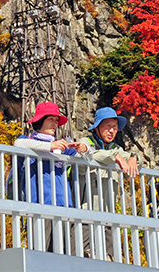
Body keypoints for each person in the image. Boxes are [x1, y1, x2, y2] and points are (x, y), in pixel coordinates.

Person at [77, 107, 138, 260]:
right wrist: (115, 157)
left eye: (115, 127)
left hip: (108, 214)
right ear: (97, 127)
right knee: (83, 257)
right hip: (85, 212)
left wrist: (133, 158)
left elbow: (136, 161)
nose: (112, 130)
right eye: (108, 126)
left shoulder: (116, 148)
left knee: (110, 259)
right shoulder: (86, 142)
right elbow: (88, 153)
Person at [12, 102, 87, 207]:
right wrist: (50, 146)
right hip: (36, 205)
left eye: (57, 120)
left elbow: (83, 158)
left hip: (63, 205)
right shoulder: (28, 140)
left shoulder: (61, 146)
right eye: (51, 119)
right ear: (40, 121)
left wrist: (84, 149)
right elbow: (18, 144)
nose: (55, 123)